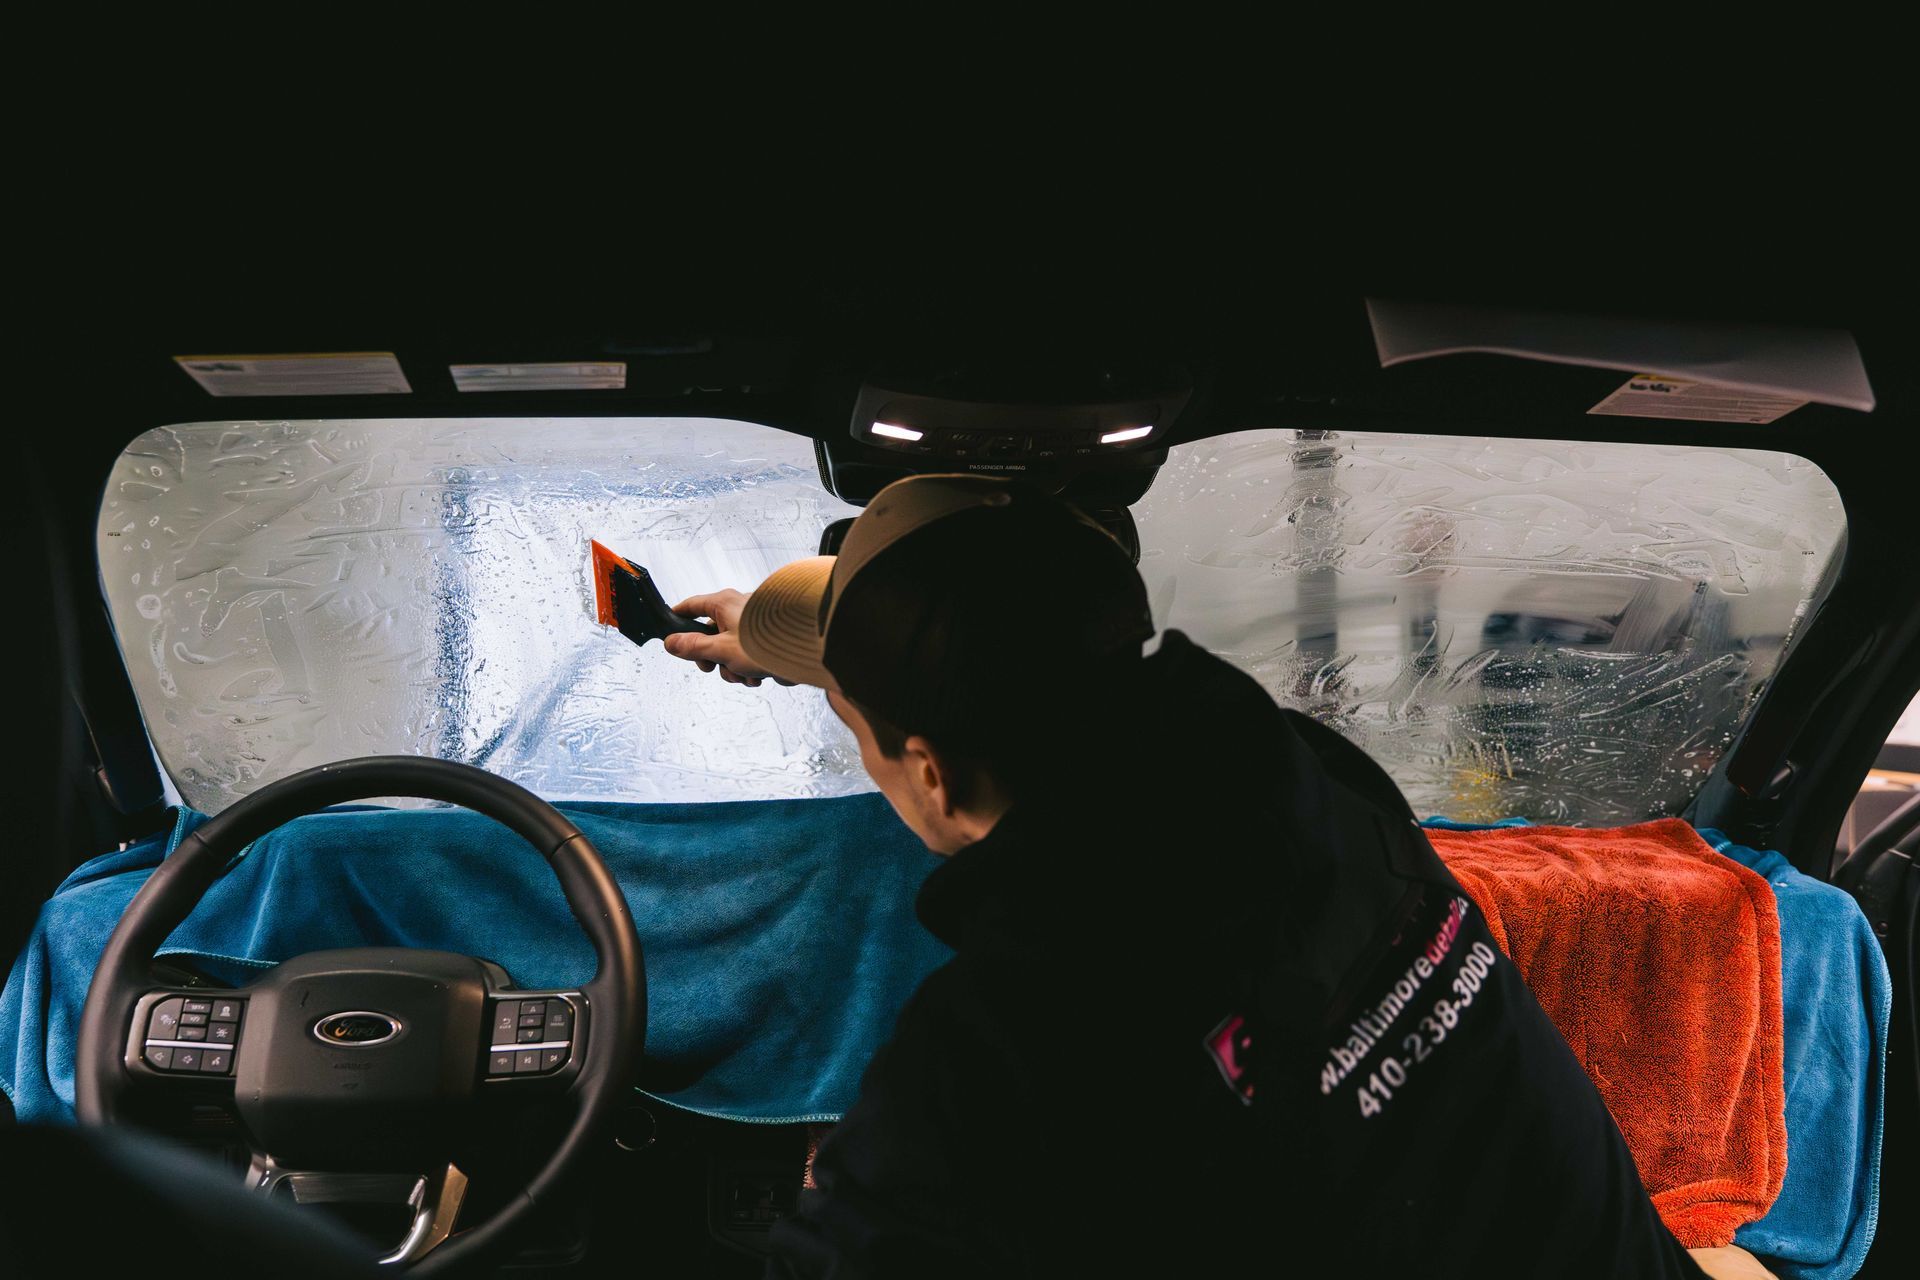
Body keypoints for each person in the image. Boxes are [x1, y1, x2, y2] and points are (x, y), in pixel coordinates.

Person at [661, 474, 1704, 1278]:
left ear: (927, 769)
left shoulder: (992, 1056)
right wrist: (787, 640)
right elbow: (1032, 671)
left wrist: (838, 1188)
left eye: (861, 729)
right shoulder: (1309, 775)